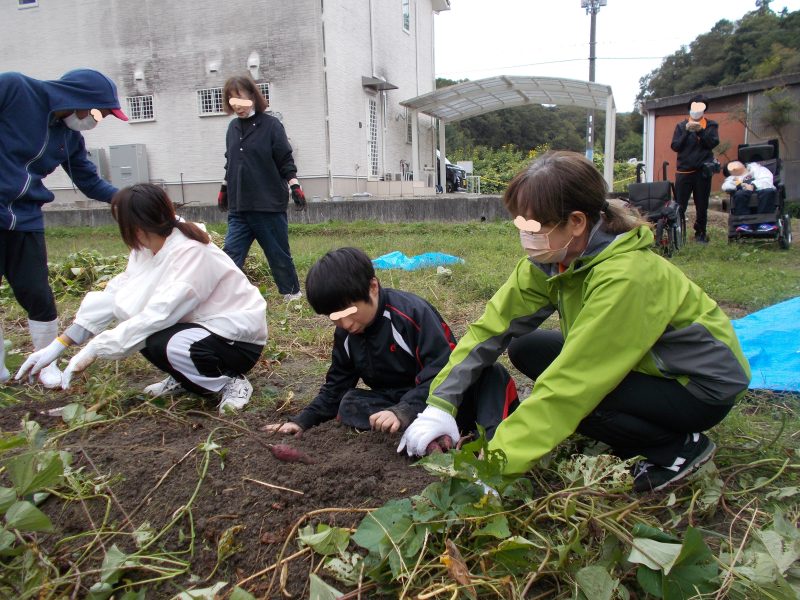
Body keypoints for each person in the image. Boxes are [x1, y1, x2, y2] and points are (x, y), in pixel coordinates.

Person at [398, 151, 751, 494]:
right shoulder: (553, 259)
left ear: (577, 222)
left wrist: (495, 464)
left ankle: (677, 450)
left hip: (698, 385)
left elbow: (572, 385)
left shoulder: (627, 277)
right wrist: (440, 403)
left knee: (581, 400)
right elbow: (492, 328)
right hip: (647, 366)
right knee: (528, 348)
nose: (525, 235)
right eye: (520, 224)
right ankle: (641, 429)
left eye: (533, 226)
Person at [15, 184, 267, 414]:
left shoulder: (190, 252)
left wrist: (95, 347)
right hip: (201, 329)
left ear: (135, 227)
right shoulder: (147, 248)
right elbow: (119, 293)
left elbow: (159, 314)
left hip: (237, 339)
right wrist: (59, 344)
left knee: (159, 339)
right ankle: (187, 378)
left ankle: (229, 382)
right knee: (144, 333)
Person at [263, 247, 518, 444]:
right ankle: (429, 438)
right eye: (335, 317)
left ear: (372, 287)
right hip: (398, 401)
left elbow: (445, 372)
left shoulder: (411, 315)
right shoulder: (346, 334)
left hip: (447, 399)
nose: (345, 323)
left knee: (491, 375)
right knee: (349, 403)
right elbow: (336, 385)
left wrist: (405, 411)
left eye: (349, 312)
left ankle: (491, 441)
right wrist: (302, 421)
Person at [1, 68, 128, 386]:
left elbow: (90, 181)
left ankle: (44, 364)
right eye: (97, 112)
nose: (96, 120)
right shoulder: (15, 89)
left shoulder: (69, 138)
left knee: (38, 293)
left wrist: (130, 200)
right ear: (76, 98)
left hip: (26, 219)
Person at [218, 75, 306, 303]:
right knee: (230, 254)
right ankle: (226, 298)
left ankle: (292, 294)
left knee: (277, 253)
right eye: (230, 99)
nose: (235, 103)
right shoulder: (232, 128)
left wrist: (294, 185)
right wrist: (224, 188)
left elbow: (285, 159)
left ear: (252, 96)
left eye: (239, 97)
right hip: (239, 206)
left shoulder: (271, 126)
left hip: (267, 204)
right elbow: (231, 161)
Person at [670, 94, 719, 244]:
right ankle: (675, 233)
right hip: (684, 171)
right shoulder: (680, 126)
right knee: (679, 205)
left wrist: (700, 131)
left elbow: (712, 143)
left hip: (702, 172)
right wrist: (686, 131)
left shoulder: (711, 125)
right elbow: (675, 146)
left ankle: (701, 234)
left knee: (702, 204)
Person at [721, 160, 777, 233]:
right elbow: (726, 186)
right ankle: (743, 224)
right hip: (744, 192)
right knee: (739, 194)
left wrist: (753, 185)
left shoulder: (758, 169)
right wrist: (739, 184)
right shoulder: (733, 177)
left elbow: (767, 179)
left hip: (762, 188)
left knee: (768, 191)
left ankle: (765, 223)